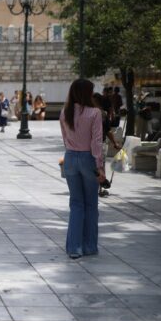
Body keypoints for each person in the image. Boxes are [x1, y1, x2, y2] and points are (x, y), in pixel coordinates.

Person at [59, 79, 104, 259]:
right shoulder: (95, 113)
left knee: (76, 203)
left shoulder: (65, 112)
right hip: (88, 159)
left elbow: (64, 138)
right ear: (87, 93)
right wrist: (99, 166)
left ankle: (74, 248)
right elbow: (96, 141)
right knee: (91, 204)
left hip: (70, 157)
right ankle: (89, 246)